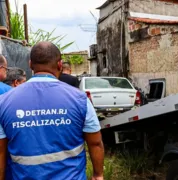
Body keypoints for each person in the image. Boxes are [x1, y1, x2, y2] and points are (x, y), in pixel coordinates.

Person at [0, 42, 104, 180]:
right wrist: (98, 175)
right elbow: (95, 143)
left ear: (30, 64)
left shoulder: (4, 102)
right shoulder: (80, 99)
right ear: (60, 64)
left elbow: (1, 152)